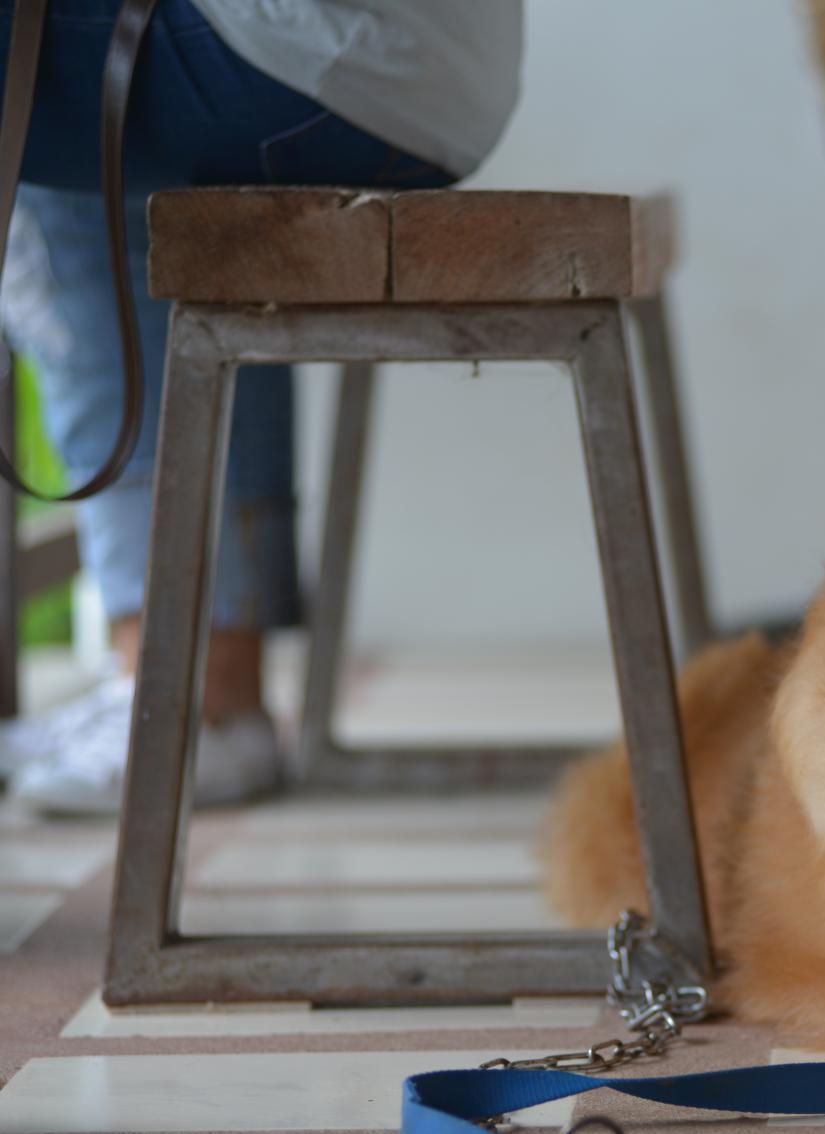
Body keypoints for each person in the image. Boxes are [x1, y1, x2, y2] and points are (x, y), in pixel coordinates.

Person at [0, 0, 523, 814]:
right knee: (80, 163)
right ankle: (198, 694)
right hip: (412, 60)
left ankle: (178, 696)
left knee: (56, 96)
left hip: (324, 50)